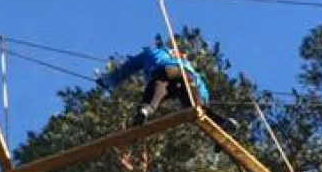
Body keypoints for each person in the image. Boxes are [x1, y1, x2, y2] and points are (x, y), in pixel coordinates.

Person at [98, 36, 237, 129]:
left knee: (154, 96)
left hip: (163, 71)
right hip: (185, 77)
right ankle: (222, 121)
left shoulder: (152, 53)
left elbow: (128, 68)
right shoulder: (186, 64)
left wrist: (108, 81)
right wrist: (203, 100)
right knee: (196, 108)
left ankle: (145, 110)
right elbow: (201, 86)